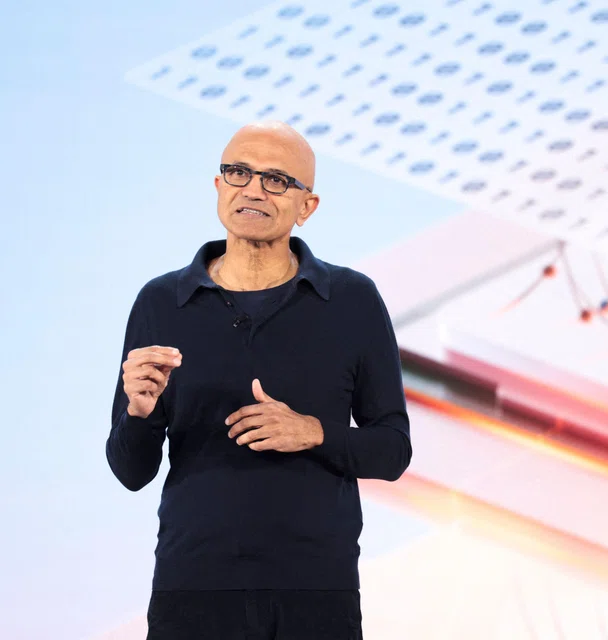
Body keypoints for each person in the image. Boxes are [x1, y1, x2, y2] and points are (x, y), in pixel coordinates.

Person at [106, 121, 412, 639]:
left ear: (307, 207)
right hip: (194, 588)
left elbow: (392, 450)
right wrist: (138, 412)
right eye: (239, 172)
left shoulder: (352, 299)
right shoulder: (161, 302)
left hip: (316, 590)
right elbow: (131, 471)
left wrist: (312, 432)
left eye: (276, 180)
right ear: (218, 186)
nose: (253, 189)